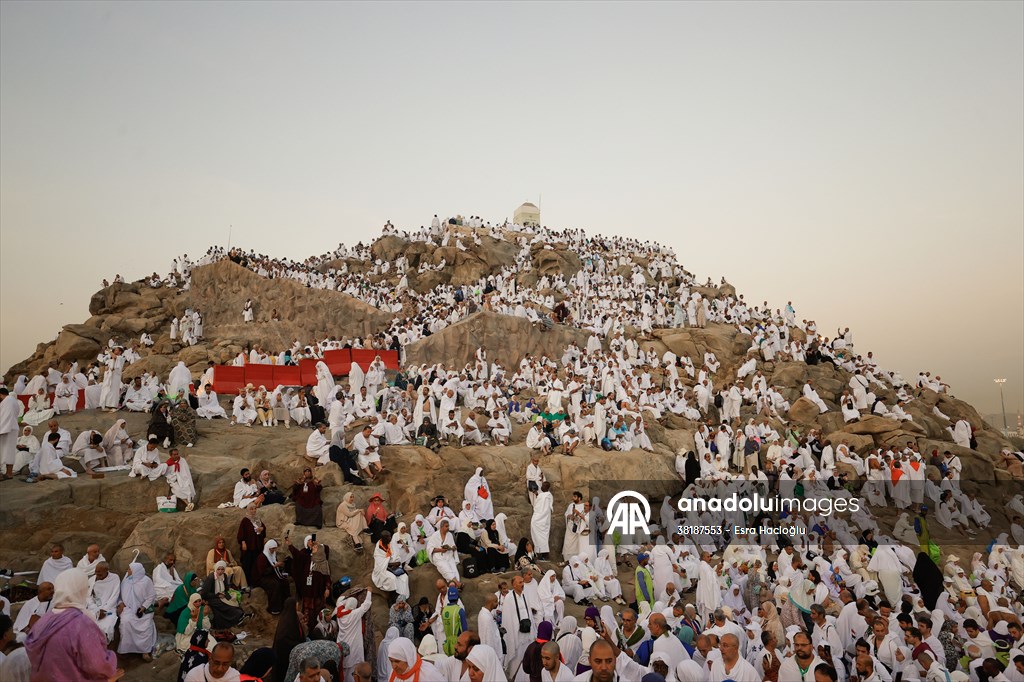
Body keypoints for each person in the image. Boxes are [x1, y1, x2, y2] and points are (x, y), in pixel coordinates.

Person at [24, 568, 120, 682]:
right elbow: (98, 666)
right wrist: (112, 662)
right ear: (80, 590)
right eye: (86, 588)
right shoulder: (82, 624)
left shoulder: (45, 619)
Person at [118, 560, 158, 660]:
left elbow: (151, 596)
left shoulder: (146, 581)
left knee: (146, 626)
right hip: (129, 610)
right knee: (125, 622)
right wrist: (121, 603)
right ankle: (127, 649)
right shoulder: (126, 581)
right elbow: (120, 596)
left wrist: (143, 607)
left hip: (143, 611)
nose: (127, 571)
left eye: (129, 569)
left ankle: (145, 651)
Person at [336, 591, 372, 682]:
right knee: (352, 673)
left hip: (342, 645)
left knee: (343, 670)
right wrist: (369, 592)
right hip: (353, 648)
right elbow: (366, 605)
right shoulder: (354, 614)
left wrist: (346, 598)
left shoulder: (339, 614)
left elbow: (339, 602)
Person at [199, 561, 247, 630]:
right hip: (211, 598)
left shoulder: (224, 576)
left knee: (233, 601)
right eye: (218, 569)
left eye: (222, 569)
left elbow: (226, 588)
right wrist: (217, 595)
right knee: (226, 605)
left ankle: (236, 618)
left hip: (221, 595)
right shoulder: (211, 578)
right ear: (215, 569)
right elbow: (204, 593)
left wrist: (226, 595)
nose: (220, 571)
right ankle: (239, 615)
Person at [373, 531, 410, 601]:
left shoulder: (391, 544)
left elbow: (396, 555)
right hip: (384, 569)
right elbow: (380, 564)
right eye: (388, 537)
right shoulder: (378, 549)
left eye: (390, 536)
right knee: (392, 579)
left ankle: (404, 598)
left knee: (404, 577)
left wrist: (397, 562)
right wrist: (392, 564)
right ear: (382, 539)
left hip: (394, 566)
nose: (390, 538)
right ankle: (393, 597)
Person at [237, 503, 267, 584]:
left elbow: (263, 529)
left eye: (255, 509)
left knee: (256, 564)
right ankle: (247, 582)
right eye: (251, 509)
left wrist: (262, 529)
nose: (253, 510)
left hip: (257, 546)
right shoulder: (245, 520)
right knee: (248, 564)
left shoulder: (258, 520)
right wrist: (243, 542)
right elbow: (241, 533)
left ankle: (256, 581)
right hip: (249, 547)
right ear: (248, 510)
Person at [531, 481, 553, 560]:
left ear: (547, 487)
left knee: (543, 536)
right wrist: (536, 494)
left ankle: (544, 554)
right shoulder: (542, 495)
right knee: (536, 534)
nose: (542, 487)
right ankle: (537, 552)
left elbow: (546, 508)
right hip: (537, 517)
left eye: (543, 486)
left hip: (543, 519)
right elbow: (539, 503)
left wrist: (541, 516)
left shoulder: (548, 495)